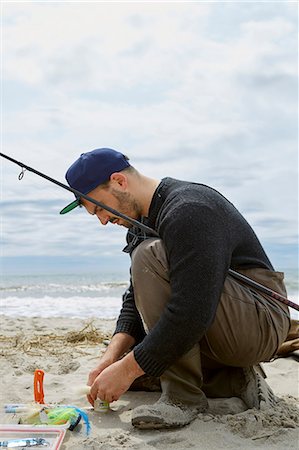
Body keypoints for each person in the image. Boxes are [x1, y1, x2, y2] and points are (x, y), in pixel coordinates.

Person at [60, 148, 291, 429]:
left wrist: (128, 367)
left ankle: (183, 398)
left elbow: (191, 311)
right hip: (222, 319)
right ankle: (231, 379)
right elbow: (135, 299)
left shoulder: (188, 209)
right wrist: (109, 359)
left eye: (100, 208)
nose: (103, 221)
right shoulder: (141, 223)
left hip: (259, 320)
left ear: (119, 181)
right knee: (136, 364)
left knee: (148, 257)